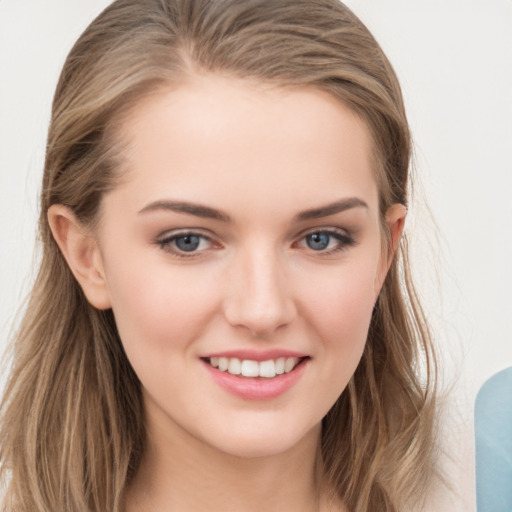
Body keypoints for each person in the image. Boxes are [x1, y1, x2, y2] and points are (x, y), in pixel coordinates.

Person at [0, 0, 439, 510]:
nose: (262, 310)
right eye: (189, 240)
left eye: (321, 238)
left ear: (386, 249)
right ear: (86, 255)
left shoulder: (490, 481)